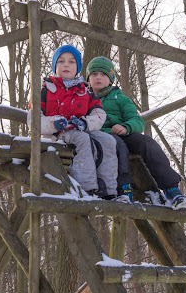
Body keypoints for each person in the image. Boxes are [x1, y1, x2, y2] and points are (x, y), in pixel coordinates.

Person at [86, 56, 186, 210]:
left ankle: (171, 189)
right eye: (94, 74)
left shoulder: (121, 100)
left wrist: (126, 127)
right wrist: (109, 130)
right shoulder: (85, 99)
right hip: (104, 137)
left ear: (110, 79)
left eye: (103, 74)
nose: (98, 77)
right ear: (88, 79)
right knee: (118, 145)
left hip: (124, 133)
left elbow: (138, 121)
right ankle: (124, 189)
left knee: (147, 143)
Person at [27, 45, 129, 202]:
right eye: (61, 61)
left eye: (71, 62)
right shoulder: (45, 90)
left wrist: (84, 123)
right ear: (55, 67)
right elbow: (33, 119)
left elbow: (99, 114)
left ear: (78, 68)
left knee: (108, 140)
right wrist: (54, 123)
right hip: (54, 134)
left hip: (80, 129)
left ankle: (108, 190)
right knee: (82, 139)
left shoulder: (85, 91)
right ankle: (87, 188)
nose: (66, 64)